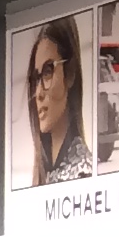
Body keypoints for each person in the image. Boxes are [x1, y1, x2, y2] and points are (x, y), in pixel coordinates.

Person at [24, 23, 93, 185]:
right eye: (35, 79)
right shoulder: (43, 172)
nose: (39, 93)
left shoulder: (84, 172)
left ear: (70, 73)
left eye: (48, 72)